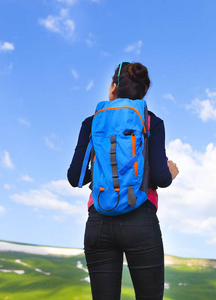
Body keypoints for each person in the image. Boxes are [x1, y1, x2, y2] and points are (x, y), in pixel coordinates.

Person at [68, 62, 179, 300]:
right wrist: (171, 172)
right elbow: (161, 177)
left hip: (99, 222)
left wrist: (99, 172)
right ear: (143, 93)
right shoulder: (151, 122)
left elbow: (74, 177)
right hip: (140, 220)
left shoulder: (92, 122)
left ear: (113, 87)